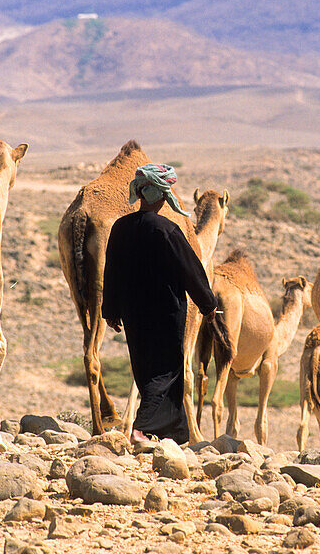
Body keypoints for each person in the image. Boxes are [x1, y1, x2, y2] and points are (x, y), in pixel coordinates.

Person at [102, 163, 219, 444]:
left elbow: (111, 271)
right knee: (167, 371)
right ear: (162, 196)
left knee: (145, 369)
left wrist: (111, 310)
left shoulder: (121, 228)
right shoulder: (167, 229)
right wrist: (208, 304)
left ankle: (170, 435)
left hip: (133, 313)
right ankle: (141, 429)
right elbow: (191, 270)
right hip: (165, 312)